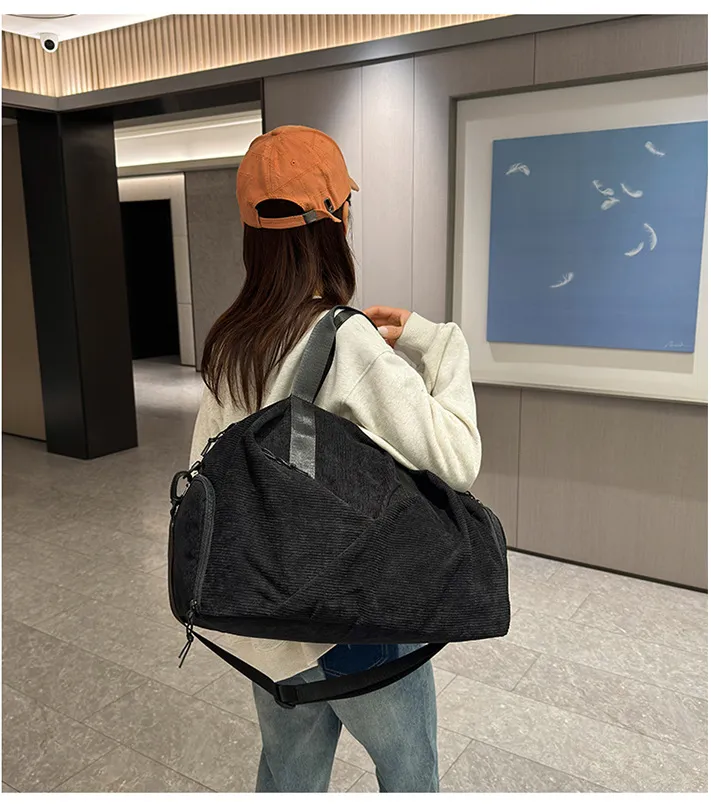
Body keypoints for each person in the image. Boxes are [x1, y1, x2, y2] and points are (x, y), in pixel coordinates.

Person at [190, 124, 482, 793]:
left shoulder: (230, 343)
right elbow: (457, 457)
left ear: (250, 231)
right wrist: (442, 345)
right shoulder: (347, 341)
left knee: (288, 775)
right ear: (337, 221)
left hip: (265, 617)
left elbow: (207, 471)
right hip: (353, 622)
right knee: (410, 772)